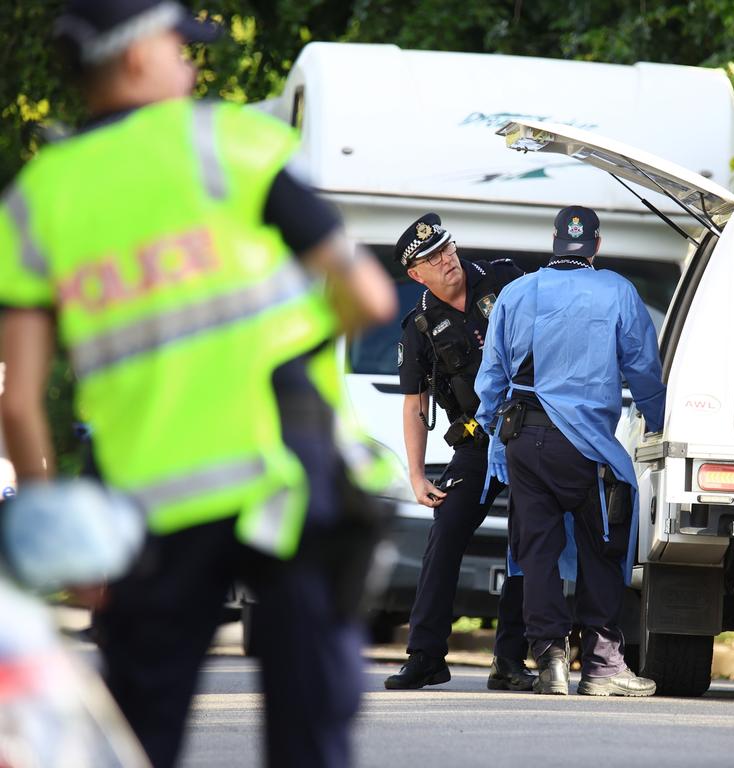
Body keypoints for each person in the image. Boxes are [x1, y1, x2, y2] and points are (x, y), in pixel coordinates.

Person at [0, 1, 397, 766]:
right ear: (136, 56)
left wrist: (64, 540)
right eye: (179, 44)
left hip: (146, 516)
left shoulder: (36, 199)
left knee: (140, 741)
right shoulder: (233, 143)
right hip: (286, 485)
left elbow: (18, 399)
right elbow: (372, 299)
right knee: (310, 739)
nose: (191, 60)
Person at [475, 205, 666, 696]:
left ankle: (550, 661)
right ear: (595, 246)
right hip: (585, 445)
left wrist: (493, 434)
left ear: (554, 242)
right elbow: (644, 372)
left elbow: (491, 378)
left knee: (536, 552)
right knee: (602, 547)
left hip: (523, 440)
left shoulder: (515, 293)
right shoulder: (618, 292)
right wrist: (661, 422)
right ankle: (602, 667)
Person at [384, 213, 535, 691]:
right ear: (416, 273)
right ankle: (426, 655)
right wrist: (415, 476)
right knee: (446, 529)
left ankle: (510, 661)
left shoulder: (506, 278)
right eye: (432, 258)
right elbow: (415, 407)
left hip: (531, 434)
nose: (445, 260)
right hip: (477, 444)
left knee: (528, 541)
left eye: (447, 248)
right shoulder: (420, 326)